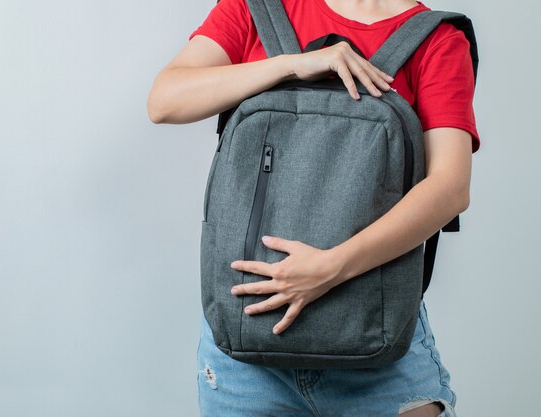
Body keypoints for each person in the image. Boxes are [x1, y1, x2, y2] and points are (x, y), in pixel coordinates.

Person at [147, 0, 480, 415]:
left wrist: (328, 268)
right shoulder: (257, 9)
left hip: (378, 352)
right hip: (246, 352)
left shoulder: (434, 39)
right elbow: (164, 100)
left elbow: (450, 188)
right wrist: (290, 65)